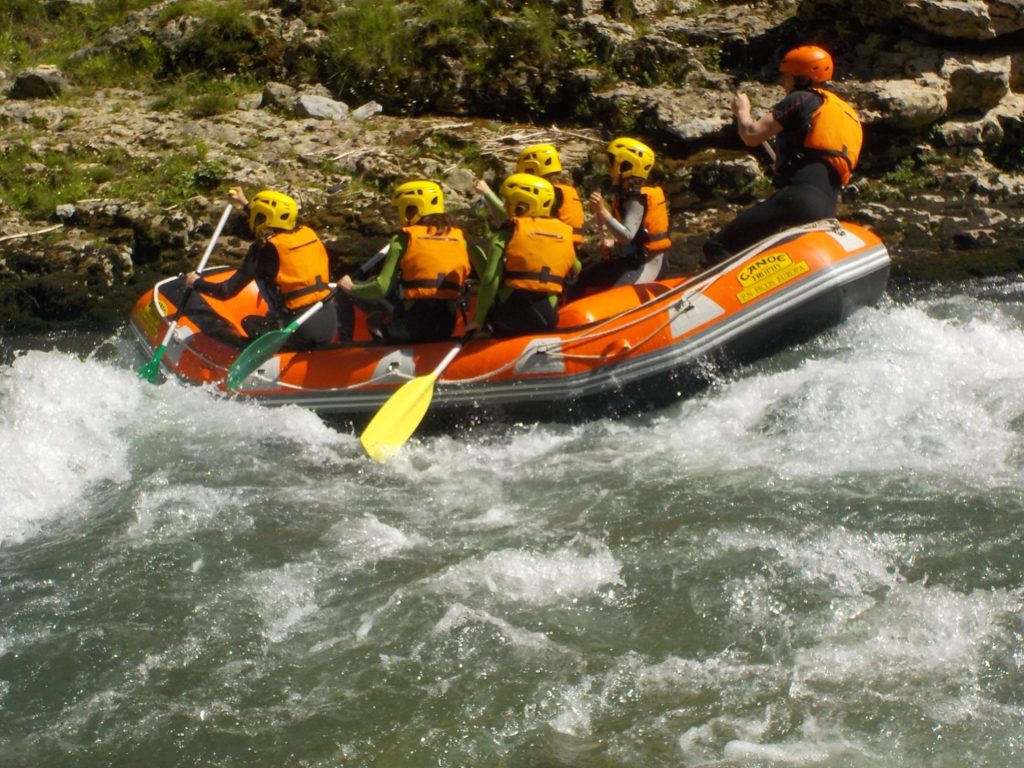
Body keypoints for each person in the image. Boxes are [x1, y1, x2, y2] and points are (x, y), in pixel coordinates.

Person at [703, 44, 863, 265]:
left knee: (716, 246)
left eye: (786, 77)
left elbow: (751, 135)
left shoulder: (801, 98)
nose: (781, 82)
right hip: (826, 209)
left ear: (803, 79)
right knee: (773, 258)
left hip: (797, 200)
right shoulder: (846, 112)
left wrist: (742, 111)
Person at [186, 187, 337, 349]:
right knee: (270, 317)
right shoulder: (308, 233)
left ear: (264, 218)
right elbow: (274, 220)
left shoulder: (264, 250)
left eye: (257, 216)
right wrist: (245, 203)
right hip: (328, 320)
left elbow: (225, 291)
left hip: (299, 328)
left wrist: (196, 283)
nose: (253, 219)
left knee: (250, 323)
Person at [337, 179, 470, 343]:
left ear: (412, 208)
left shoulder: (402, 240)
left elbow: (381, 288)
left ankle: (345, 347)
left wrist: (351, 288)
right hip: (446, 325)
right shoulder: (459, 239)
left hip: (413, 326)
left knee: (370, 314)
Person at [466, 173, 581, 337]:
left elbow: (490, 280)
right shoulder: (563, 232)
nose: (505, 206)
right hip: (548, 316)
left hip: (511, 317)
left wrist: (477, 319)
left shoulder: (506, 234)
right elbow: (576, 268)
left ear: (522, 205)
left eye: (508, 202)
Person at [580, 136, 671, 292]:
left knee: (608, 297)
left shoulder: (637, 198)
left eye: (611, 164)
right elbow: (634, 236)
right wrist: (613, 243)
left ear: (626, 167)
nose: (609, 169)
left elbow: (626, 236)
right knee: (583, 280)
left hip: (646, 265)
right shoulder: (628, 194)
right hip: (635, 260)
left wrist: (602, 211)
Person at [474, 142, 586, 254]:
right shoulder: (568, 189)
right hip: (568, 248)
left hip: (551, 246)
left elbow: (511, 221)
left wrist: (487, 193)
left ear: (533, 168)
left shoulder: (547, 193)